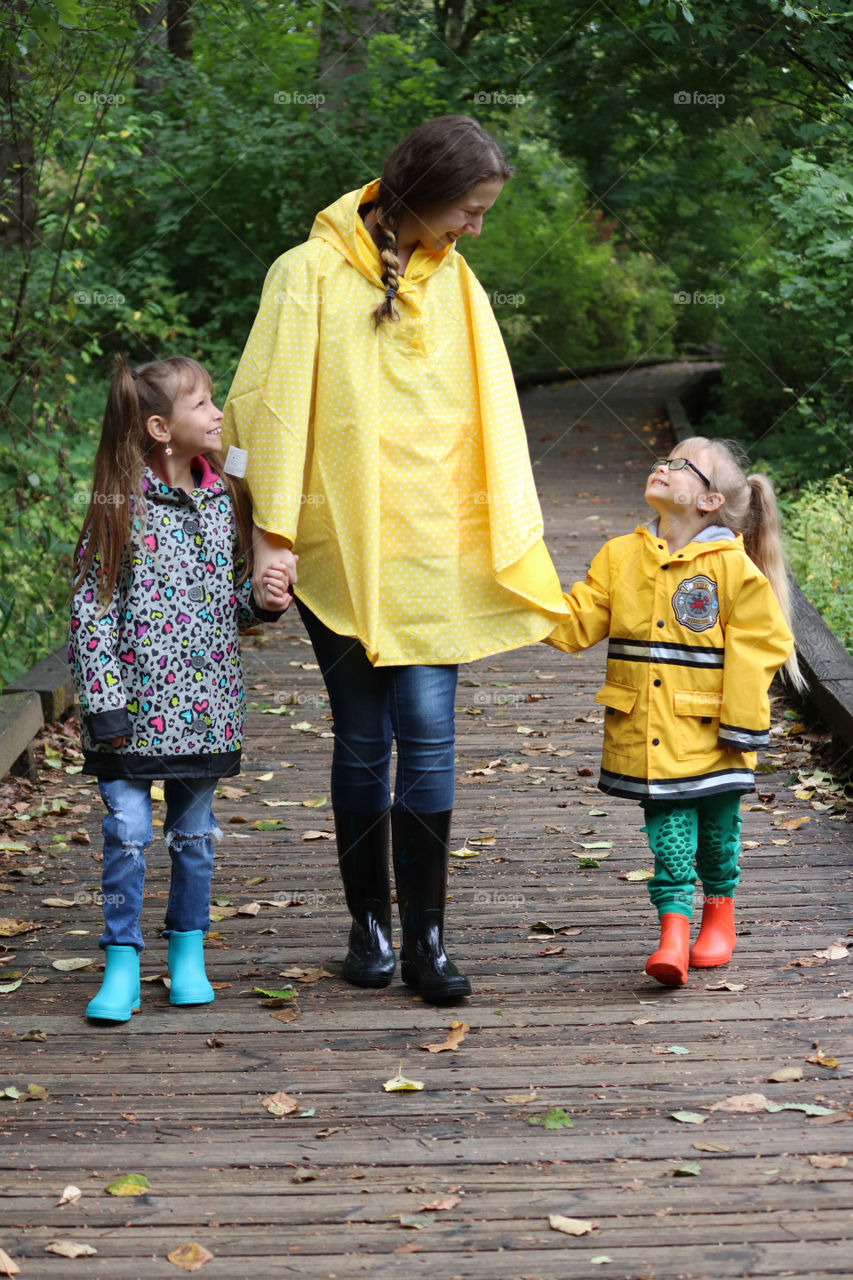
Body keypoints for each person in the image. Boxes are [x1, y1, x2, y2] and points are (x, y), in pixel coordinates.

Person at [223, 115, 569, 1003]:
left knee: (428, 732)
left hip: (435, 552)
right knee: (362, 737)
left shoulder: (461, 291)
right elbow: (262, 410)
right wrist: (270, 538)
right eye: (470, 211)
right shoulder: (303, 276)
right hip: (340, 548)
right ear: (418, 196)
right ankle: (366, 927)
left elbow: (492, 421)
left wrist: (505, 538)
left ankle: (427, 936)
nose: (475, 230)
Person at [69, 356, 285, 1022]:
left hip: (204, 710)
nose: (218, 414)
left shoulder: (224, 498)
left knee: (194, 838)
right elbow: (89, 610)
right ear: (161, 428)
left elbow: (228, 611)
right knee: (128, 830)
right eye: (203, 404)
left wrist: (261, 601)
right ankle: (122, 962)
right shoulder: (119, 502)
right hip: (129, 712)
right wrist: (104, 704)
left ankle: (186, 953)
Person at [545, 437, 801, 987]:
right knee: (668, 834)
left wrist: (741, 724)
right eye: (664, 458)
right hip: (648, 731)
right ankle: (672, 930)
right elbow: (575, 623)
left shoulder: (733, 569)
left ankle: (719, 912)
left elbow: (761, 645)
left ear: (709, 502)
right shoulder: (620, 557)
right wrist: (521, 594)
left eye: (682, 465)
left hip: (715, 732)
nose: (663, 466)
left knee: (716, 834)